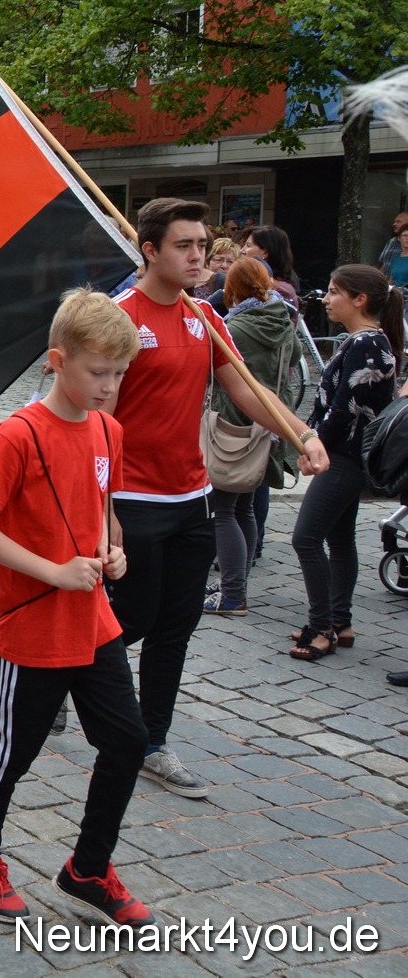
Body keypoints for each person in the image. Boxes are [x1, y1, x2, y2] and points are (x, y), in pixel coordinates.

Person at [108, 199, 326, 799]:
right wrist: (102, 506)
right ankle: (63, 676)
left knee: (175, 627)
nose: (198, 256)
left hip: (193, 495)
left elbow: (247, 392)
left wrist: (303, 435)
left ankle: (152, 742)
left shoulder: (205, 317)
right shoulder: (118, 318)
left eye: (202, 245)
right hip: (131, 497)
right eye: (184, 245)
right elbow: (97, 418)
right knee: (132, 619)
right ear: (149, 250)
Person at [0, 288, 153, 930]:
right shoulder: (19, 434)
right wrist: (55, 572)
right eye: (99, 372)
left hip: (93, 621)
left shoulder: (108, 429)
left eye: (119, 374)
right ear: (57, 360)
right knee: (11, 752)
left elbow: (103, 510)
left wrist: (113, 550)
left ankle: (88, 869)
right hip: (32, 622)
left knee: (128, 740)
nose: (109, 386)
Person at [289, 265, 401, 659]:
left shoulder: (367, 342)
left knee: (305, 539)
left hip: (345, 457)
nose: (326, 298)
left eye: (335, 292)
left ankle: (321, 628)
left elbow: (343, 409)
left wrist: (312, 445)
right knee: (338, 539)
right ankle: (340, 622)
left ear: (360, 299)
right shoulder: (364, 340)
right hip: (344, 453)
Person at [200, 257, 298, 617]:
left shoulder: (235, 328)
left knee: (223, 510)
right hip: (268, 423)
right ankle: (236, 581)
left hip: (232, 422)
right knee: (246, 508)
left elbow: (211, 371)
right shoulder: (282, 319)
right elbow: (295, 358)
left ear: (232, 289)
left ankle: (233, 593)